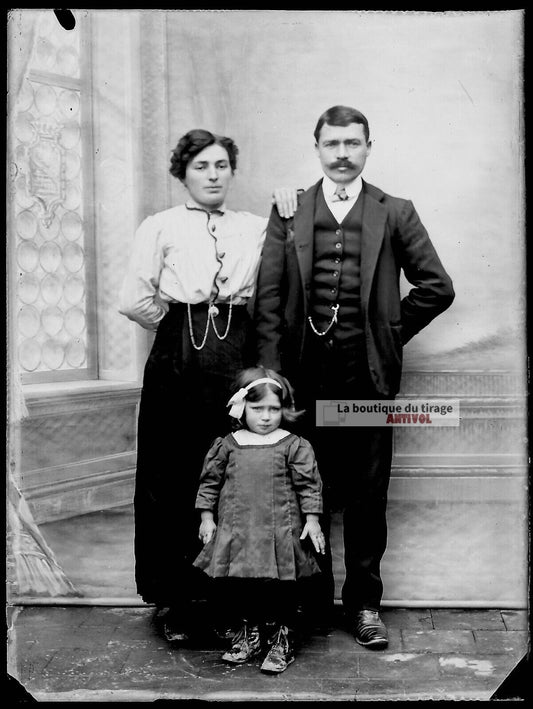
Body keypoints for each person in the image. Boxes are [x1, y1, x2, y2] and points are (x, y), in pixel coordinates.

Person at [254, 105, 455, 650]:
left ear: (368, 148)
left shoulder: (395, 211)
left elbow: (437, 286)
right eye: (332, 144)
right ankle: (313, 605)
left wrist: (386, 334)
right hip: (303, 384)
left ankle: (365, 605)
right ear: (316, 148)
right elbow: (269, 301)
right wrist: (273, 377)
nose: (342, 154)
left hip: (367, 384)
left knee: (367, 497)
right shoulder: (290, 211)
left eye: (353, 144)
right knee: (304, 492)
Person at [119, 129, 296, 641]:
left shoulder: (255, 227)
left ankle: (225, 596)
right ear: (182, 173)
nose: (213, 175)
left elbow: (288, 256)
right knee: (171, 472)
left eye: (221, 165)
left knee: (231, 470)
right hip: (178, 349)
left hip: (236, 351)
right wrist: (177, 327)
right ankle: (174, 599)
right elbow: (135, 299)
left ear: (232, 172)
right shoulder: (161, 226)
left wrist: (291, 196)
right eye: (201, 166)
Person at [193, 367, 325, 673]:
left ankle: (282, 639)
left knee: (279, 588)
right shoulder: (228, 444)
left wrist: (312, 519)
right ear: (241, 408)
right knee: (239, 587)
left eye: (273, 409)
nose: (265, 417)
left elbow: (308, 485)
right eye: (257, 409)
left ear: (284, 410)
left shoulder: (293, 445)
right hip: (238, 530)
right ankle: (248, 635)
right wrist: (206, 518)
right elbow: (210, 483)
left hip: (279, 528)